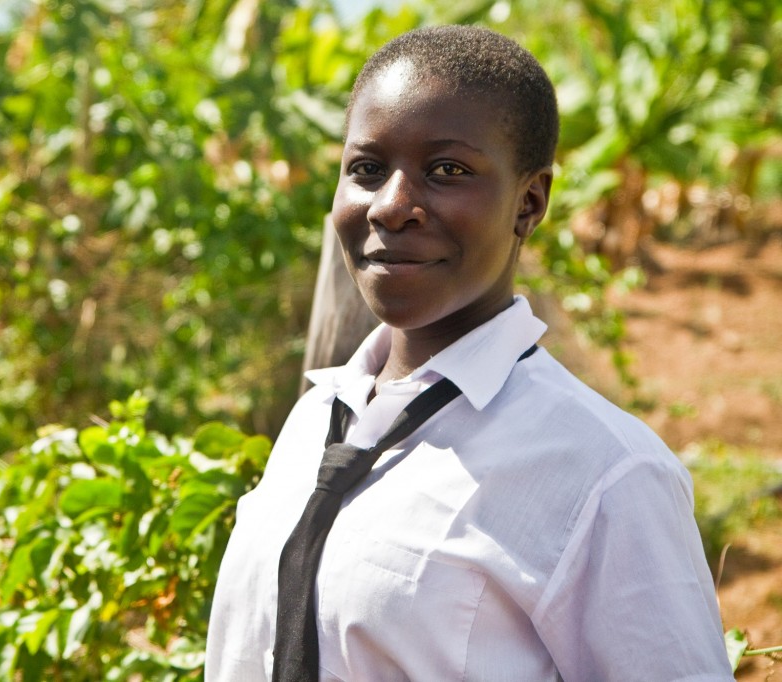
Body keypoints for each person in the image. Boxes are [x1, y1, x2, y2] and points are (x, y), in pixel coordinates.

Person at [205, 24, 733, 681]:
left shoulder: (604, 476)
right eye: (367, 169)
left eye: (447, 170)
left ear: (529, 201)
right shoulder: (316, 422)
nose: (392, 206)